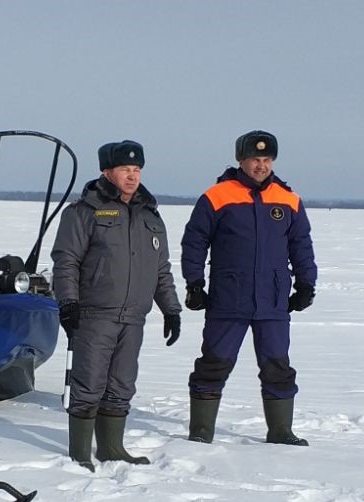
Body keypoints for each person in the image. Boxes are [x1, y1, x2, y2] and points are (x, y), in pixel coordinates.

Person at [180, 130, 317, 446]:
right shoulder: (217, 196)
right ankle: (201, 430)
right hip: (229, 298)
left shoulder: (288, 200)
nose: (261, 165)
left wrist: (307, 283)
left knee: (277, 366)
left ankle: (280, 431)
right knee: (214, 362)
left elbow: (301, 245)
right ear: (241, 159)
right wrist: (194, 283)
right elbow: (195, 241)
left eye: (267, 159)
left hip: (273, 300)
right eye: (256, 159)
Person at [52, 140, 182, 471]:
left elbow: (161, 269)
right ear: (106, 172)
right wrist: (68, 302)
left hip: (134, 317)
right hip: (95, 314)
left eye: (136, 170)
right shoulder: (84, 212)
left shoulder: (151, 216)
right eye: (125, 169)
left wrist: (171, 309)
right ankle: (80, 453)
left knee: (122, 384)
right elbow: (66, 260)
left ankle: (111, 448)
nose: (132, 176)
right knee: (89, 382)